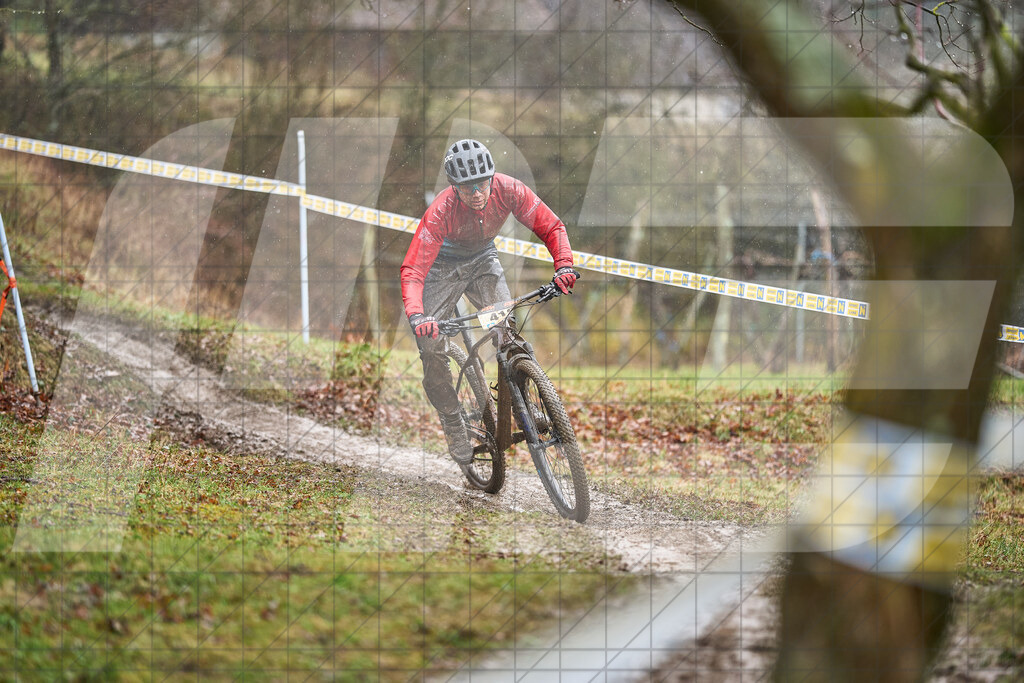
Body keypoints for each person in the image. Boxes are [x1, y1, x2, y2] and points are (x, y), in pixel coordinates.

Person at [400, 139, 577, 465]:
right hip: (442, 268)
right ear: (454, 188)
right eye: (467, 188)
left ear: (492, 178)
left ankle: (525, 396)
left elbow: (551, 226)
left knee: (506, 329)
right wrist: (417, 315)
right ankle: (454, 422)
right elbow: (413, 270)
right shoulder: (440, 211)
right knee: (431, 346)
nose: (477, 193)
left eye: (482, 184)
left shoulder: (510, 189)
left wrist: (563, 264)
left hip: (483, 260)